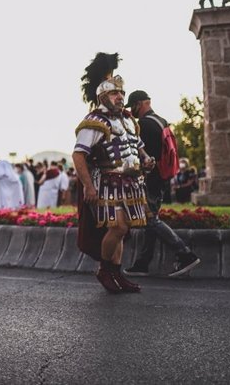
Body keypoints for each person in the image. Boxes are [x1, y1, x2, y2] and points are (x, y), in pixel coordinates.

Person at [72, 52, 154, 294]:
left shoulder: (128, 120)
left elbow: (137, 146)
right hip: (107, 182)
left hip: (130, 182)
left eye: (121, 93)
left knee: (123, 230)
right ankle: (104, 270)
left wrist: (147, 160)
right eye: (114, 93)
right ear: (102, 96)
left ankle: (118, 274)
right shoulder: (94, 121)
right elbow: (78, 155)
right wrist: (89, 186)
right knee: (118, 227)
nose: (120, 97)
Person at [124, 91, 200, 277]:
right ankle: (143, 263)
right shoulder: (161, 121)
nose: (131, 110)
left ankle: (185, 253)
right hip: (162, 178)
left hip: (151, 179)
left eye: (132, 106)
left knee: (150, 220)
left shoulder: (144, 124)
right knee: (150, 221)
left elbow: (144, 157)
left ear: (140, 104)